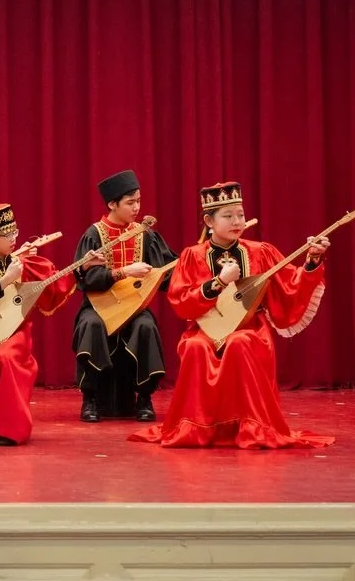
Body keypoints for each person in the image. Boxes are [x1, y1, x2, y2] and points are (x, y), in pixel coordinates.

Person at [130, 181, 331, 449]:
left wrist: (312, 261)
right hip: (205, 329)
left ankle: (251, 426)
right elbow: (180, 301)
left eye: (240, 215)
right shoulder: (193, 255)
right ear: (208, 221)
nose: (237, 221)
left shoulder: (260, 251)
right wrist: (217, 284)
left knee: (240, 344)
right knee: (194, 348)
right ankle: (197, 426)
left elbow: (289, 285)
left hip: (250, 328)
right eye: (228, 216)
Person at [0, 196, 75, 446]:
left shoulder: (25, 264)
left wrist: (82, 268)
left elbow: (56, 284)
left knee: (6, 357)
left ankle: (7, 429)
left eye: (14, 231)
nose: (13, 238)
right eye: (6, 233)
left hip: (16, 332)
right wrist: (6, 280)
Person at [71, 170, 177, 422]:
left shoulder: (145, 234)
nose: (137, 207)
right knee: (91, 324)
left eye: (138, 201)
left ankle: (144, 398)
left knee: (146, 325)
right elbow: (87, 281)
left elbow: (167, 275)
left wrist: (184, 266)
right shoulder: (94, 235)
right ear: (112, 204)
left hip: (134, 307)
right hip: (97, 306)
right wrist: (123, 271)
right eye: (130, 202)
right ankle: (91, 399)